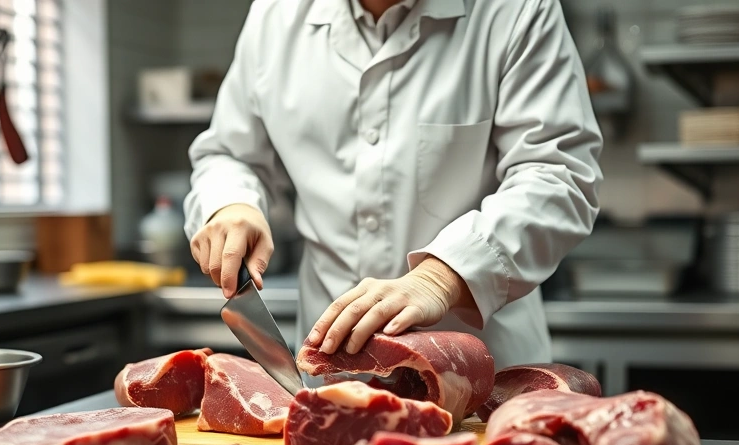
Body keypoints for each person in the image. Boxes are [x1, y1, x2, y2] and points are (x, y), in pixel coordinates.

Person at [183, 0, 602, 371]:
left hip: (479, 378)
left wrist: (442, 277)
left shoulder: (517, 10)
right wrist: (230, 203)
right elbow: (230, 155)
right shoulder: (275, 15)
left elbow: (559, 173)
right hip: (331, 374)